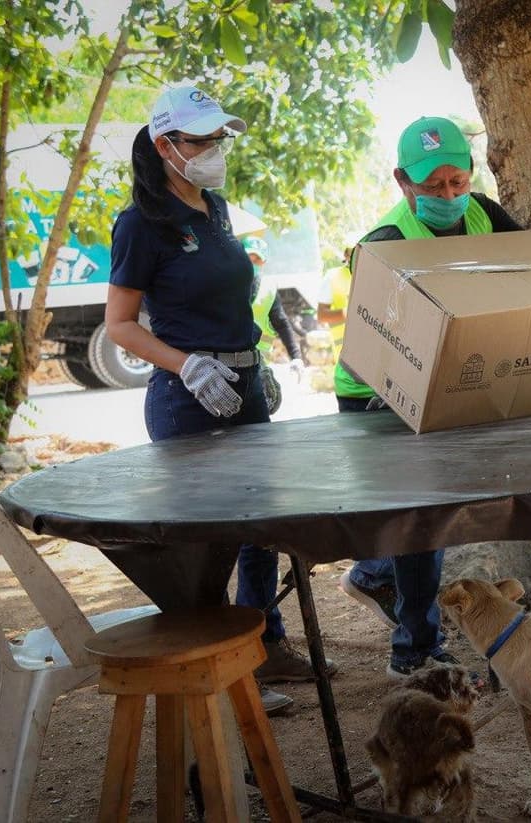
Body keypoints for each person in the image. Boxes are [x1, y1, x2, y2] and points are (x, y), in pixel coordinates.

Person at [336, 115, 531, 678]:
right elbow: (376, 338)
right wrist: (390, 388)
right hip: (377, 392)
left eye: (456, 182)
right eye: (432, 186)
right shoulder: (385, 245)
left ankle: (375, 574)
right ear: (402, 182)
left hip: (446, 376)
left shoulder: (483, 214)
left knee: (433, 510)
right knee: (422, 515)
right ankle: (414, 651)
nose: (447, 196)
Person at [105, 86, 335, 716]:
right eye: (200, 140)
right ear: (164, 146)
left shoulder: (217, 208)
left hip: (242, 389)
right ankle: (225, 673)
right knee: (210, 542)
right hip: (187, 400)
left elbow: (236, 301)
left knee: (261, 529)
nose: (214, 150)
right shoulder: (141, 224)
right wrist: (188, 366)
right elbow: (120, 325)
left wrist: (253, 363)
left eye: (218, 139)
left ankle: (264, 645)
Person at [243, 236, 304, 414]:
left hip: (259, 363)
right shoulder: (226, 284)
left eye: (257, 259)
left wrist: (296, 356)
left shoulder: (268, 288)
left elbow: (282, 323)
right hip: (232, 359)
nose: (252, 263)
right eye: (248, 258)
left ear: (264, 262)